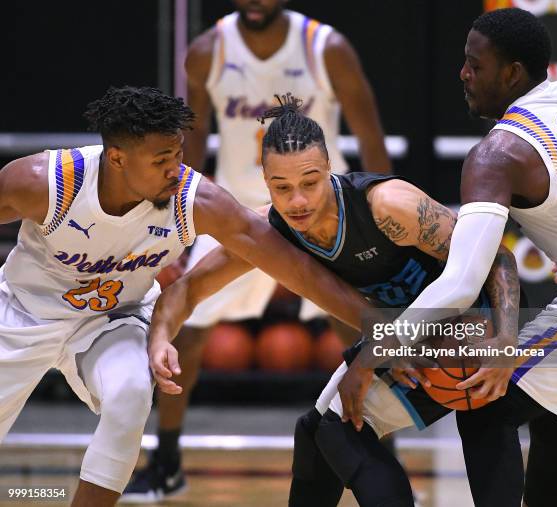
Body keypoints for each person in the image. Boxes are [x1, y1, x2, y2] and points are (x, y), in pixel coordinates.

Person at [0, 86, 373, 507]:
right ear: (118, 158)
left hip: (112, 320)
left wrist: (385, 326)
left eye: (178, 154)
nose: (176, 169)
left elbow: (297, 268)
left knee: (131, 392)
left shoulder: (194, 200)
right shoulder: (44, 183)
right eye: (162, 161)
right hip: (21, 313)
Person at [144, 97, 520, 507]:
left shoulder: (387, 205)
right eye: (282, 188)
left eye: (310, 182)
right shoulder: (271, 230)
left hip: (468, 329)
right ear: (265, 180)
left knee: (481, 419)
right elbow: (187, 288)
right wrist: (161, 334)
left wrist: (504, 340)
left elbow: (497, 255)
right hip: (397, 338)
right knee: (323, 432)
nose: (298, 201)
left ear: (329, 169)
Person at [339, 8, 557, 507]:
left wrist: (373, 348)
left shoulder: (497, 155)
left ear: (512, 73)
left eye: (475, 65)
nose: (463, 74)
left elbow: (461, 285)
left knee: (484, 398)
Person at [124, 0, 392, 500]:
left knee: (357, 327)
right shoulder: (207, 52)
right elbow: (195, 139)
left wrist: (377, 217)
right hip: (237, 211)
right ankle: (167, 461)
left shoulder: (326, 49)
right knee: (189, 327)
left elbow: (370, 138)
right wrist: (177, 222)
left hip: (316, 206)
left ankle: (383, 459)